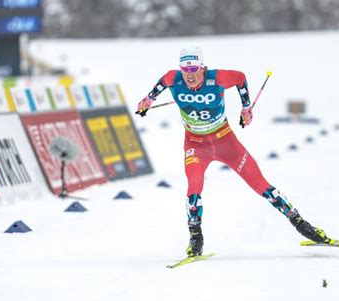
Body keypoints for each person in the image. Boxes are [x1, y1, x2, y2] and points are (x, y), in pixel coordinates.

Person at [136, 47, 327, 257]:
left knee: (260, 185)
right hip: (196, 145)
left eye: (194, 68)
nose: (189, 74)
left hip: (226, 142)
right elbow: (161, 84)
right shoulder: (173, 78)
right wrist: (148, 100)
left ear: (202, 67)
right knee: (194, 186)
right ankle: (196, 239)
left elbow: (240, 78)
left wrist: (246, 108)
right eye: (185, 69)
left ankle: (301, 224)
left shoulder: (217, 78)